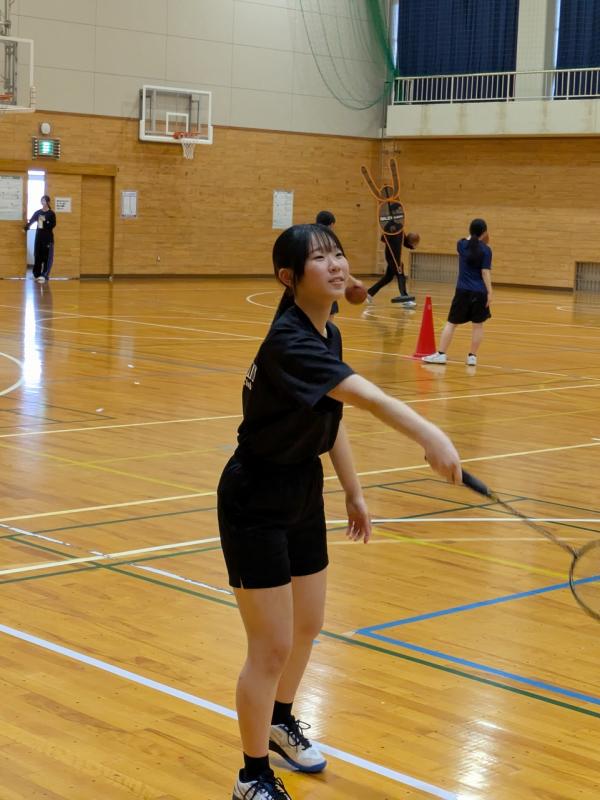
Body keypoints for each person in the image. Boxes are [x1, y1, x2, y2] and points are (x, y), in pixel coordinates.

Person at [217, 223, 462, 800]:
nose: (334, 264)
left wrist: (353, 491)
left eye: (337, 253)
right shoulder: (290, 342)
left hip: (303, 487)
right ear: (289, 277)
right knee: (270, 648)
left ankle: (280, 722)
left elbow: (332, 418)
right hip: (255, 497)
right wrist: (429, 434)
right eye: (318, 258)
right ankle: (251, 776)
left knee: (308, 625)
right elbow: (368, 397)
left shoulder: (326, 333)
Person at [422, 218, 492, 367]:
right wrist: (490, 293)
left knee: (451, 323)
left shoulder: (461, 244)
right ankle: (472, 357)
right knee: (478, 325)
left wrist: (474, 235)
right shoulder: (487, 250)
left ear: (470, 230)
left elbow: (469, 239)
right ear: (484, 232)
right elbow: (485, 272)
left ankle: (441, 354)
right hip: (480, 292)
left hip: (463, 291)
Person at [366, 224, 420, 307]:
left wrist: (411, 246)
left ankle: (369, 293)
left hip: (396, 257)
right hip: (392, 257)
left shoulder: (400, 228)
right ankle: (405, 299)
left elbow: (403, 240)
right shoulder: (390, 228)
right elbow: (383, 238)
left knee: (388, 278)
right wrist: (389, 234)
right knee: (401, 276)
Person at [24, 195, 56, 283]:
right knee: (37, 255)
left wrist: (45, 221)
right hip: (39, 237)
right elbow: (31, 220)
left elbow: (53, 225)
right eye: (42, 200)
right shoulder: (38, 212)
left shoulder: (51, 213)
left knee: (47, 257)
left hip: (48, 238)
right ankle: (36, 274)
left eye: (44, 200)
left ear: (48, 202)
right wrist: (26, 228)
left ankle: (44, 275)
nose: (43, 202)